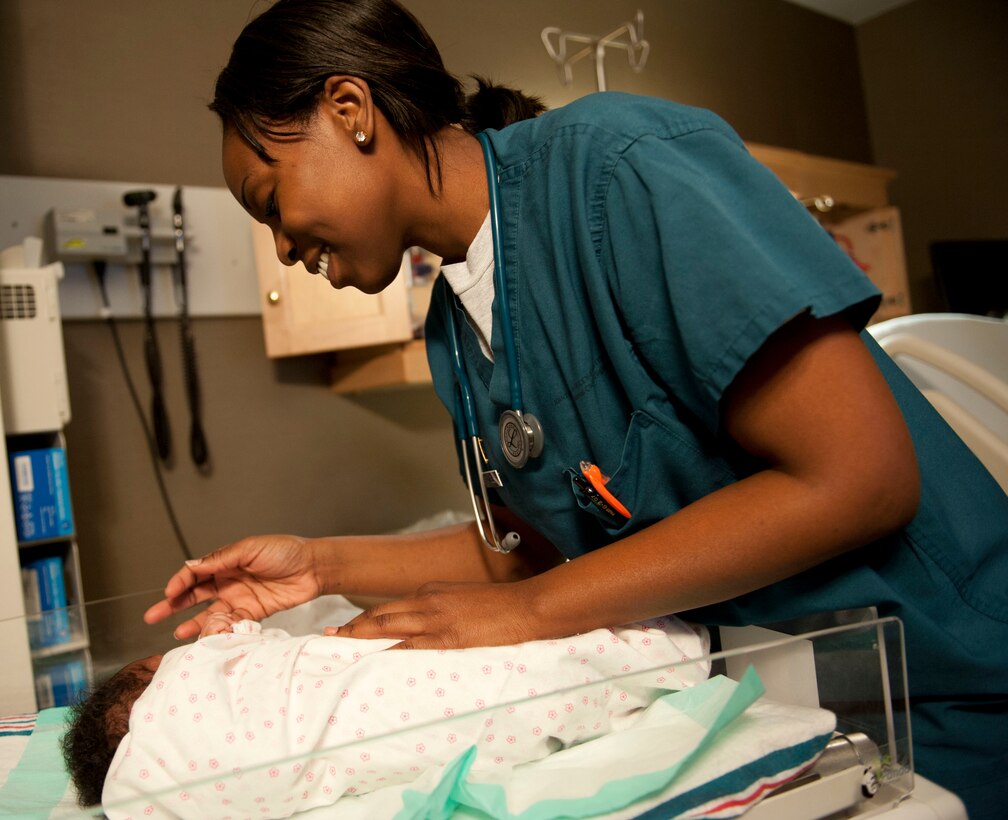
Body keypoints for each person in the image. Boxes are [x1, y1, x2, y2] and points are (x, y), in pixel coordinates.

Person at [142, 0, 1008, 815]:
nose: (283, 247)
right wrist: (321, 568)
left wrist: (530, 613)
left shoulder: (619, 169)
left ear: (350, 107)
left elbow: (861, 478)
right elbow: (538, 544)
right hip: (790, 716)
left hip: (945, 688)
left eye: (272, 203)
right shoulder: (457, 320)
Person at [63, 610, 710, 815]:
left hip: (363, 731)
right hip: (359, 696)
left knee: (497, 696)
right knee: (486, 663)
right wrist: (232, 632)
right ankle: (654, 639)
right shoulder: (184, 683)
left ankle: (643, 656)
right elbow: (233, 641)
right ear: (138, 691)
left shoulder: (155, 792)